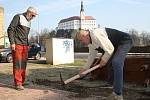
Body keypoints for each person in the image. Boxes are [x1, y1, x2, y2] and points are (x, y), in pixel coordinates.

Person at [76, 27, 133, 100]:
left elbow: (110, 49)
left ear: (85, 36)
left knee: (116, 62)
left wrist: (104, 59)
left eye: (81, 40)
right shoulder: (90, 43)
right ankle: (112, 86)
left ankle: (118, 94)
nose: (82, 43)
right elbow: (91, 56)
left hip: (124, 41)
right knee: (110, 63)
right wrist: (84, 69)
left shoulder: (95, 34)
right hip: (114, 46)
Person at [7, 6, 37, 90]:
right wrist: (12, 42)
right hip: (17, 44)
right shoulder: (18, 17)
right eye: (33, 15)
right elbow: (10, 29)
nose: (33, 18)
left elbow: (25, 35)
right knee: (18, 64)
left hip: (25, 45)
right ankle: (18, 83)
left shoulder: (29, 22)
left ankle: (22, 81)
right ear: (28, 12)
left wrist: (28, 45)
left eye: (34, 16)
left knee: (24, 63)